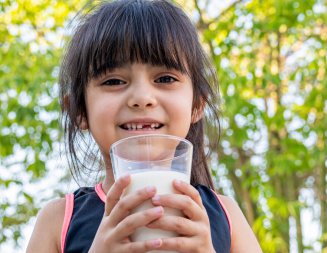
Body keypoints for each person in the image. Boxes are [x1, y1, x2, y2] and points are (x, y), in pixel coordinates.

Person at [27, 0, 263, 252]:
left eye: (165, 78)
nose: (141, 98)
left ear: (197, 105)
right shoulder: (58, 220)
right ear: (79, 110)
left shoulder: (226, 216)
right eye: (114, 81)